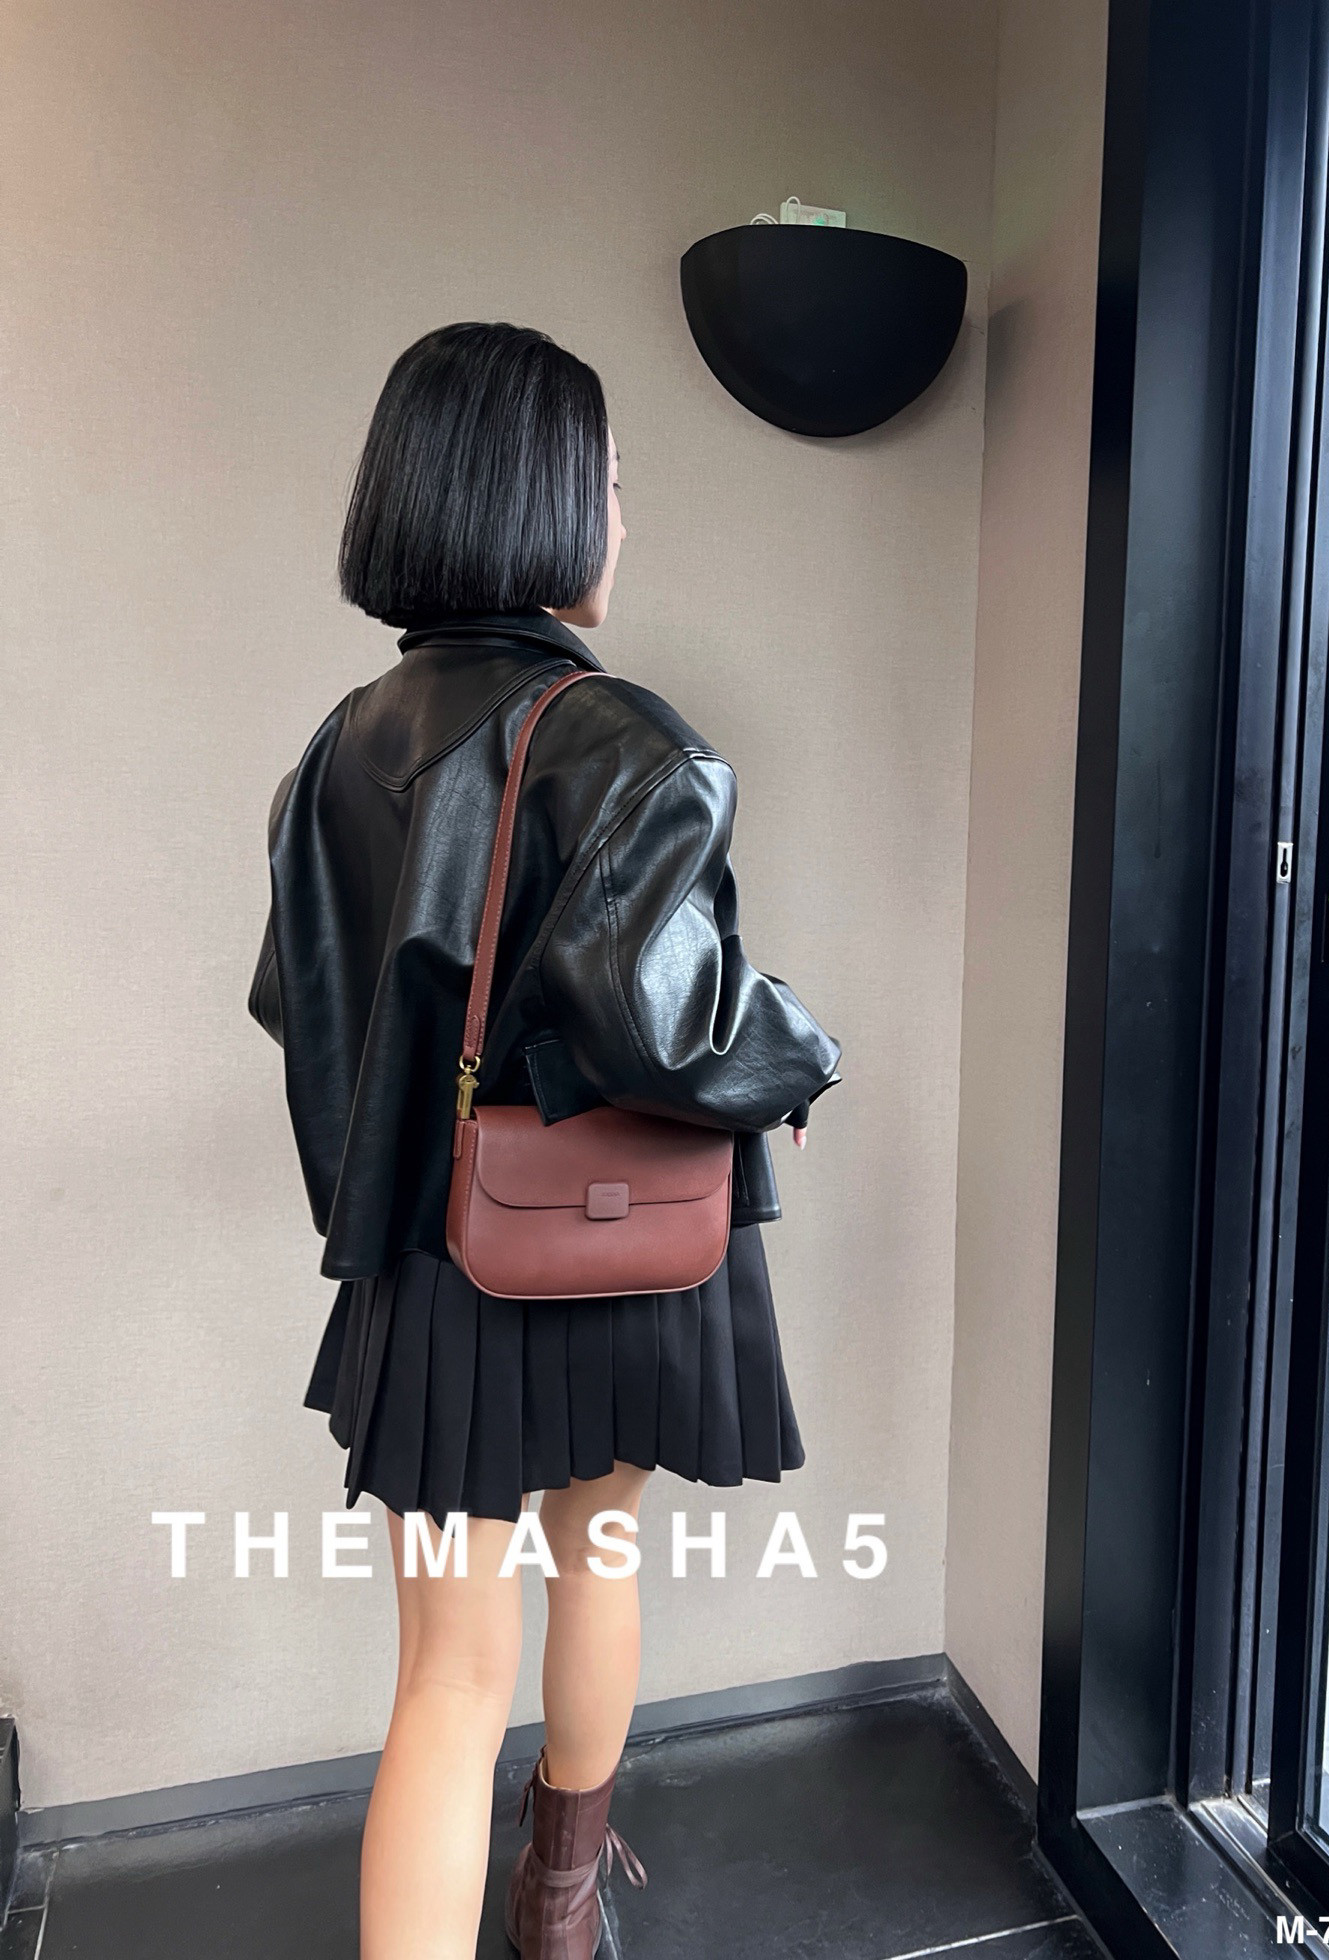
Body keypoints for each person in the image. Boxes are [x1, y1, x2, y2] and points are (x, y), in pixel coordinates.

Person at [248, 321, 841, 1960]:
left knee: (446, 1677)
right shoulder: (624, 737)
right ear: (546, 501)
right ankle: (561, 1907)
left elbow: (300, 1004)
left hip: (437, 1257)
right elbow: (667, 1020)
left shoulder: (338, 747)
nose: (624, 519)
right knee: (602, 1557)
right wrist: (804, 1056)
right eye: (613, 484)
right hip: (624, 1240)